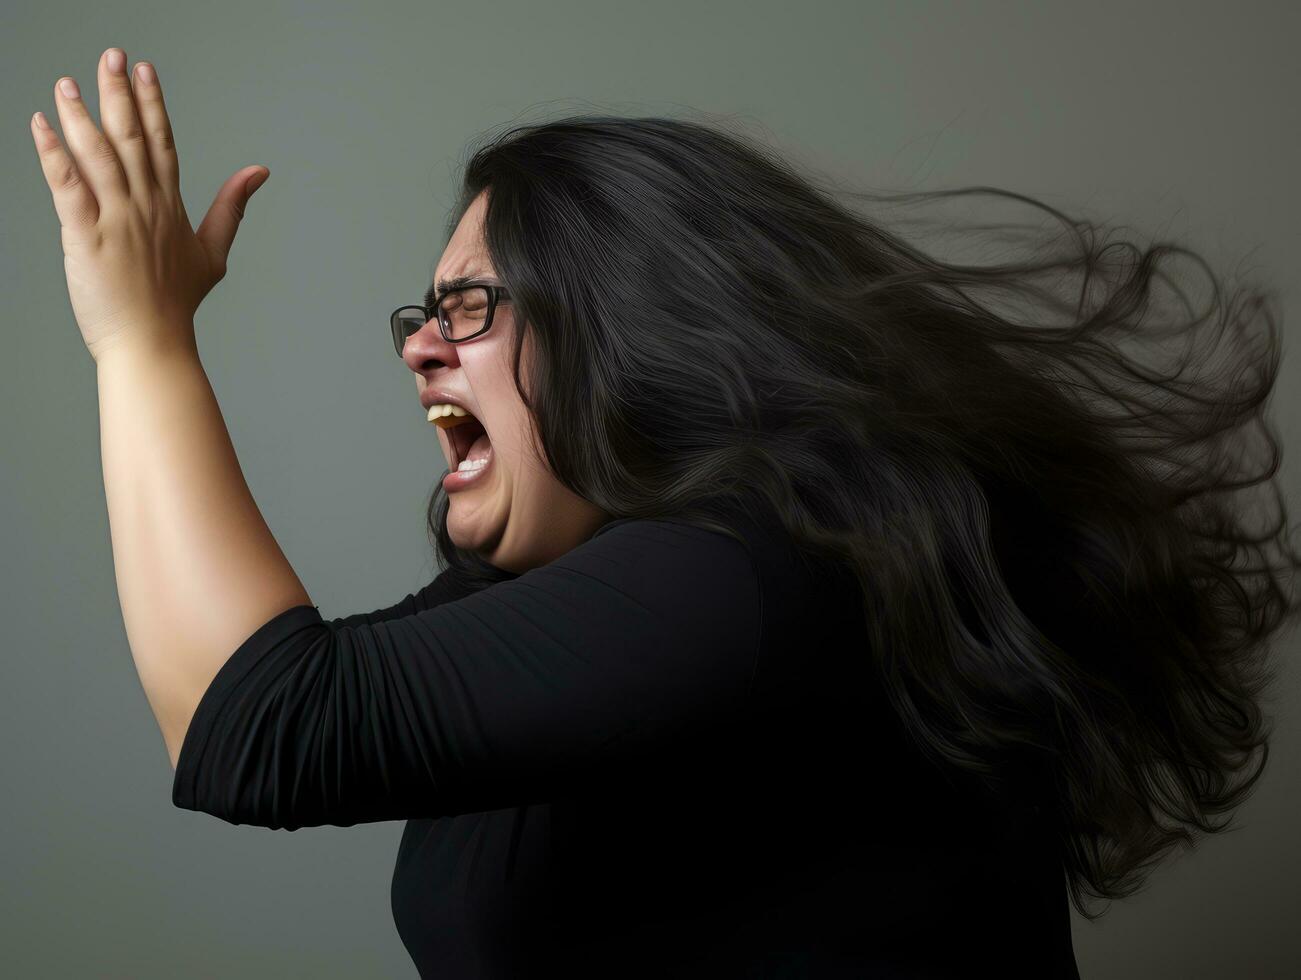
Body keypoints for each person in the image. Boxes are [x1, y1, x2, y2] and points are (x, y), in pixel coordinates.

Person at [34, 57, 1297, 977]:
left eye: (469, 306)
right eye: (421, 312)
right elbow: (257, 706)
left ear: (627, 335)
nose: (420, 346)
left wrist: (142, 343)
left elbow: (252, 718)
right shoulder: (568, 587)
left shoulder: (763, 571)